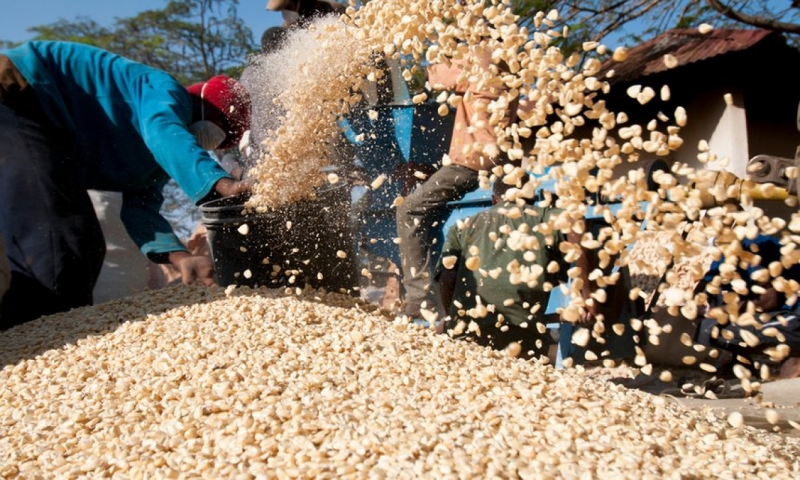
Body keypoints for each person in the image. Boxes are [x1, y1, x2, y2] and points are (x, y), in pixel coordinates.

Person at [0, 41, 251, 328]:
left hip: (48, 131)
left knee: (83, 247)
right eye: (218, 132)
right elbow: (163, 130)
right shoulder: (165, 91)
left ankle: (34, 339)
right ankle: (31, 348)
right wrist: (222, 184)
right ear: (203, 106)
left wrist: (182, 258)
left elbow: (140, 212)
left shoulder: (150, 165)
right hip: (22, 91)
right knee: (59, 243)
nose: (211, 144)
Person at [395, 48, 516, 320]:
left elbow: (436, 77)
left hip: (472, 159)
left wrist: (413, 61)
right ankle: (435, 293)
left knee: (409, 211)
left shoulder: (482, 60)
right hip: (486, 157)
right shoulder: (509, 62)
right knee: (432, 212)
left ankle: (420, 299)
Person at [434, 178, 596, 359]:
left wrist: (449, 319)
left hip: (467, 337)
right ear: (531, 197)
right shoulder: (541, 217)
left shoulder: (462, 227)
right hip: (523, 339)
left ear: (494, 199)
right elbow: (575, 223)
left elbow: (448, 278)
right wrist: (586, 294)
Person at [693, 233, 800, 375]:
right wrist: (692, 303)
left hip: (794, 316)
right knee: (707, 325)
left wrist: (713, 311)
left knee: (710, 329)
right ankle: (742, 363)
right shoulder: (724, 252)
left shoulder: (749, 246)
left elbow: (769, 299)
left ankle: (794, 353)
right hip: (778, 313)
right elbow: (708, 283)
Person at [265, 0, 347, 28]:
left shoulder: (333, 9)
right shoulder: (289, 27)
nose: (286, 12)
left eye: (289, 7)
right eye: (284, 9)